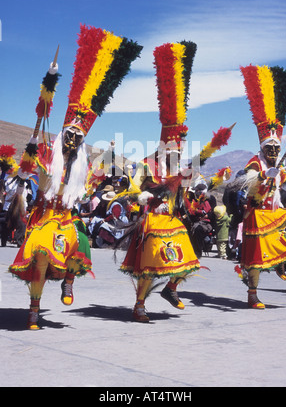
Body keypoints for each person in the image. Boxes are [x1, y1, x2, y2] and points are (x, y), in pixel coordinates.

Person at [9, 25, 143, 329]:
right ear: (61, 137)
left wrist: (110, 159)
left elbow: (97, 181)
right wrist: (46, 94)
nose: (72, 141)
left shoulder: (82, 168)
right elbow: (28, 168)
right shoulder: (46, 153)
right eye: (69, 135)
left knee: (81, 240)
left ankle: (69, 282)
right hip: (43, 217)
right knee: (41, 253)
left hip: (68, 218)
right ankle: (34, 310)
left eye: (77, 138)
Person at [120, 40, 200, 322]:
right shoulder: (147, 165)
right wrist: (140, 196)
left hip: (174, 224)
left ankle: (171, 289)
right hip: (151, 224)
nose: (176, 154)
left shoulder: (180, 172)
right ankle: (139, 304)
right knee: (150, 266)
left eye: (179, 151)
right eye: (172, 150)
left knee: (189, 260)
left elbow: (189, 198)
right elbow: (130, 189)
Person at [239, 64, 286, 309]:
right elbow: (248, 182)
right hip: (256, 213)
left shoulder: (278, 165)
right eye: (269, 148)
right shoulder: (255, 161)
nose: (273, 152)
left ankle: (281, 263)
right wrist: (263, 177)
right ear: (262, 148)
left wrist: (279, 173)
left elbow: (284, 186)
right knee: (256, 256)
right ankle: (252, 293)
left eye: (276, 149)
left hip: (274, 211)